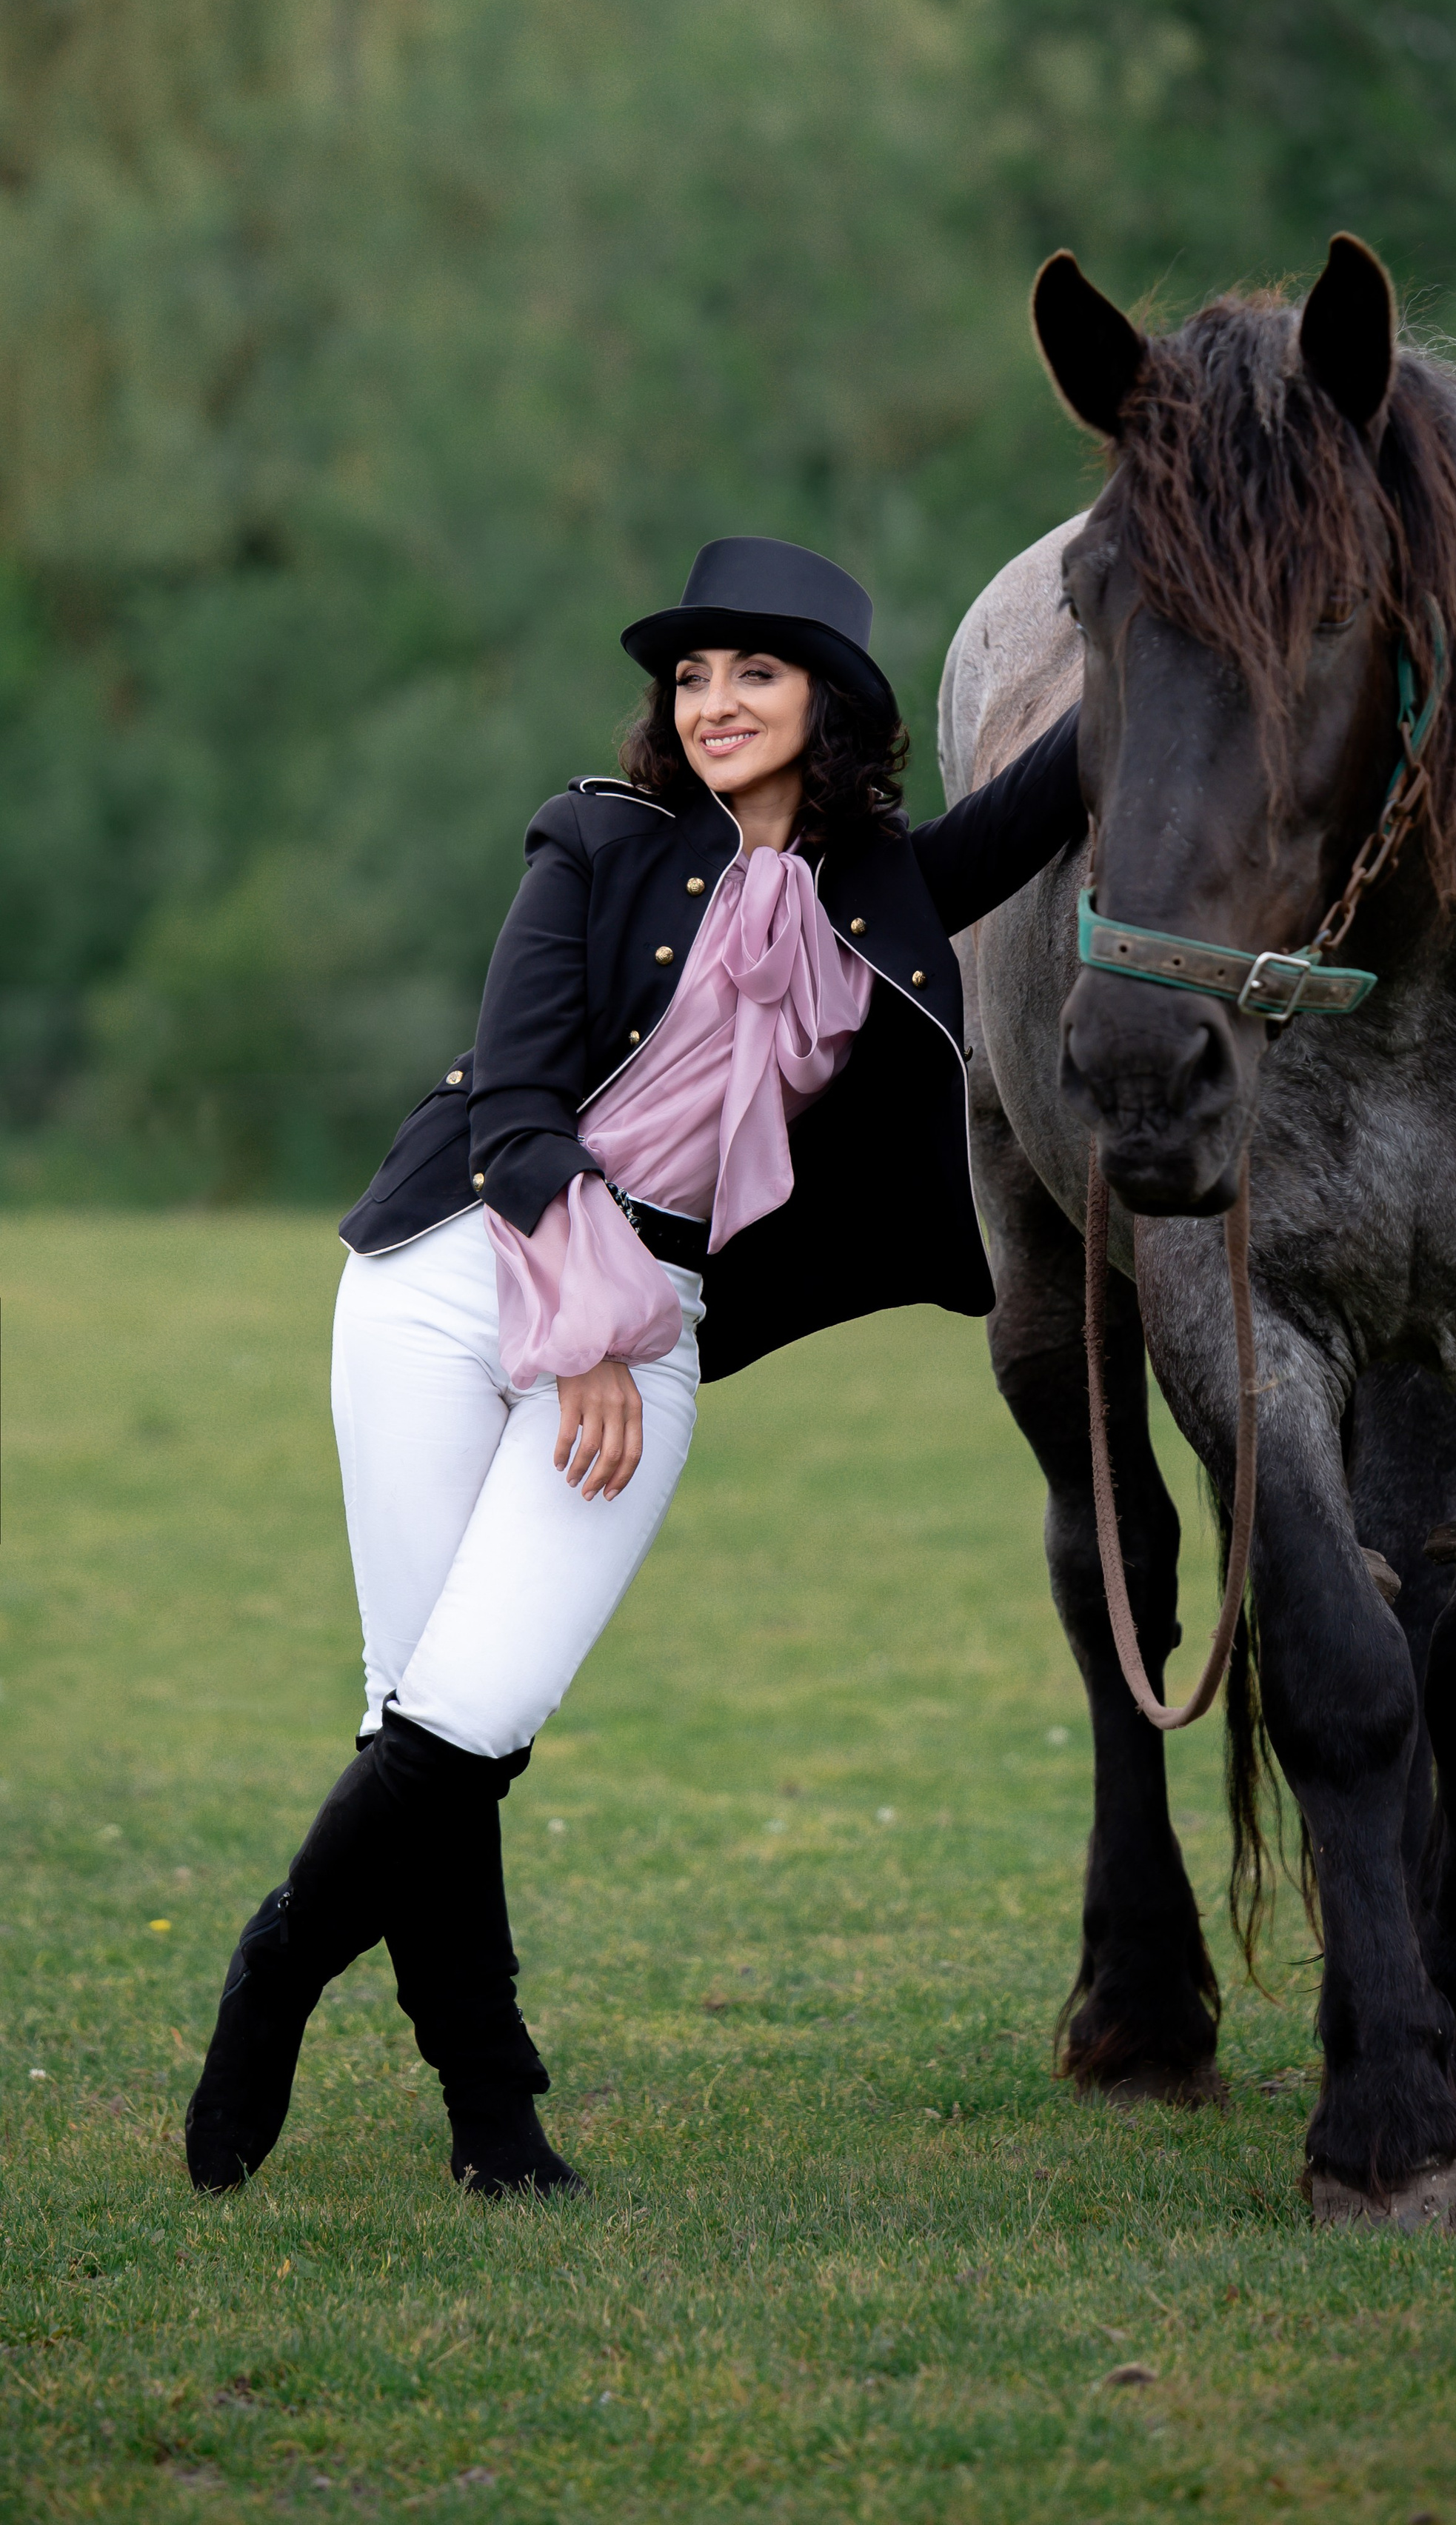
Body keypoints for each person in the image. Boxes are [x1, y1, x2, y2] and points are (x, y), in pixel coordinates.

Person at [184, 537, 1085, 2197]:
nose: (714, 701)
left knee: (479, 1711)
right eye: (692, 676)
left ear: (830, 703)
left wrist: (1191, 589)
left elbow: (1069, 774)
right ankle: (492, 2118)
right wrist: (584, 1322)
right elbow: (519, 1106)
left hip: (651, 1314)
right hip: (452, 1271)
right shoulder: (594, 837)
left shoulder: (885, 887)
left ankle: (280, 1961)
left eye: (756, 672)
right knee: (417, 1705)